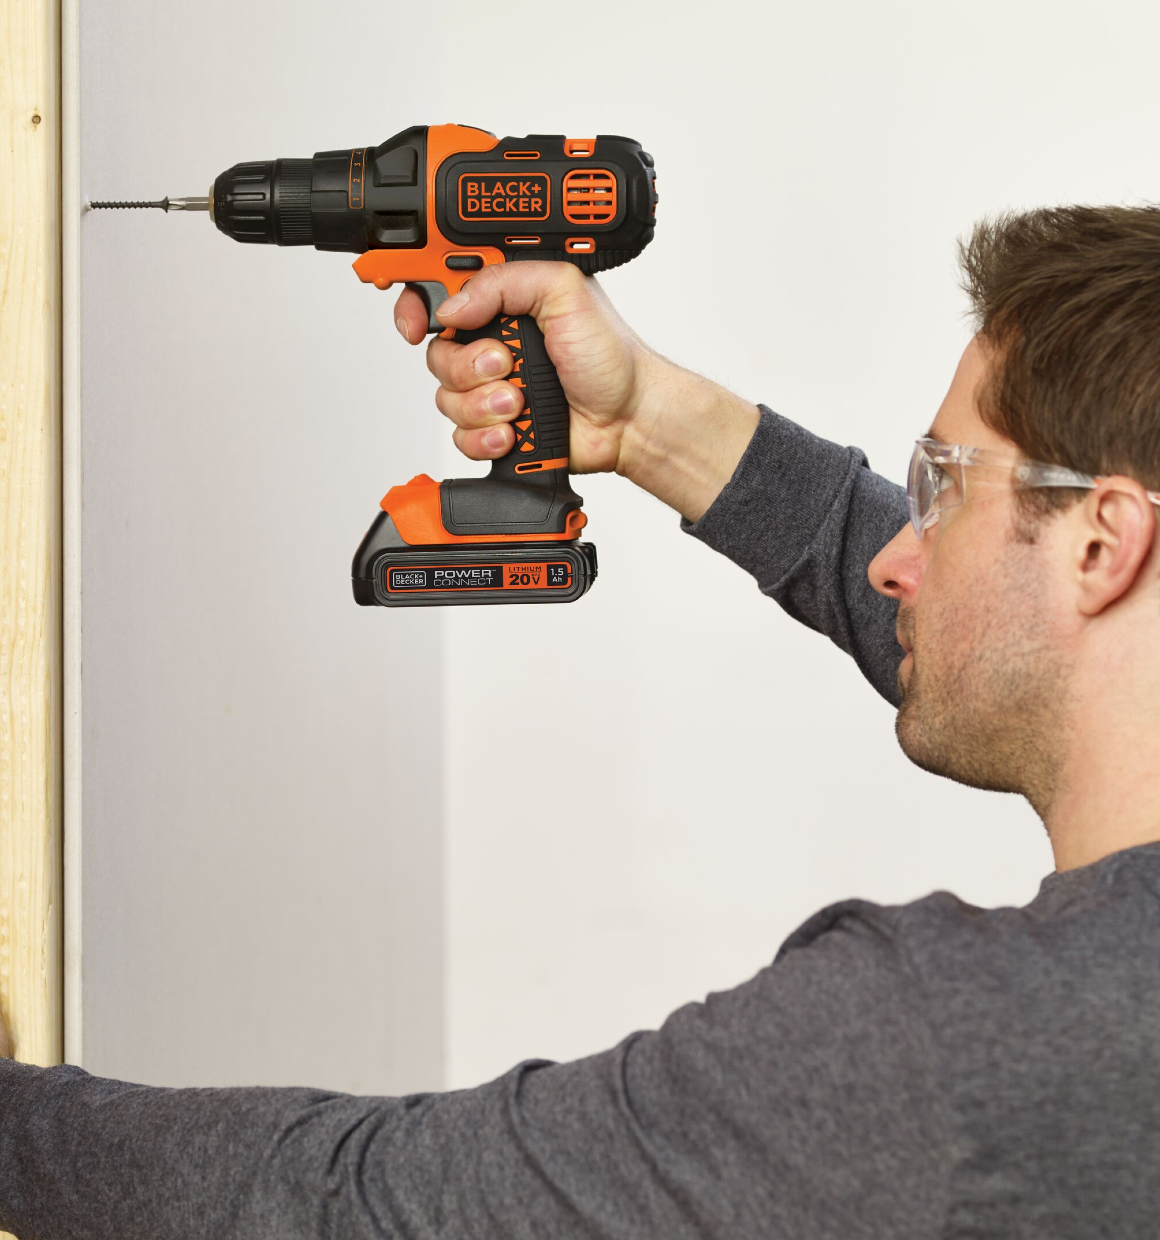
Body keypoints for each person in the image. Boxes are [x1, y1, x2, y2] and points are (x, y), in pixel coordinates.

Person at [4, 204, 1160, 1239]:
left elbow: (363, 1206)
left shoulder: (946, 1052)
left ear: (1103, 542)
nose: (894, 558)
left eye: (940, 488)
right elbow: (1010, 620)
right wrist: (644, 418)